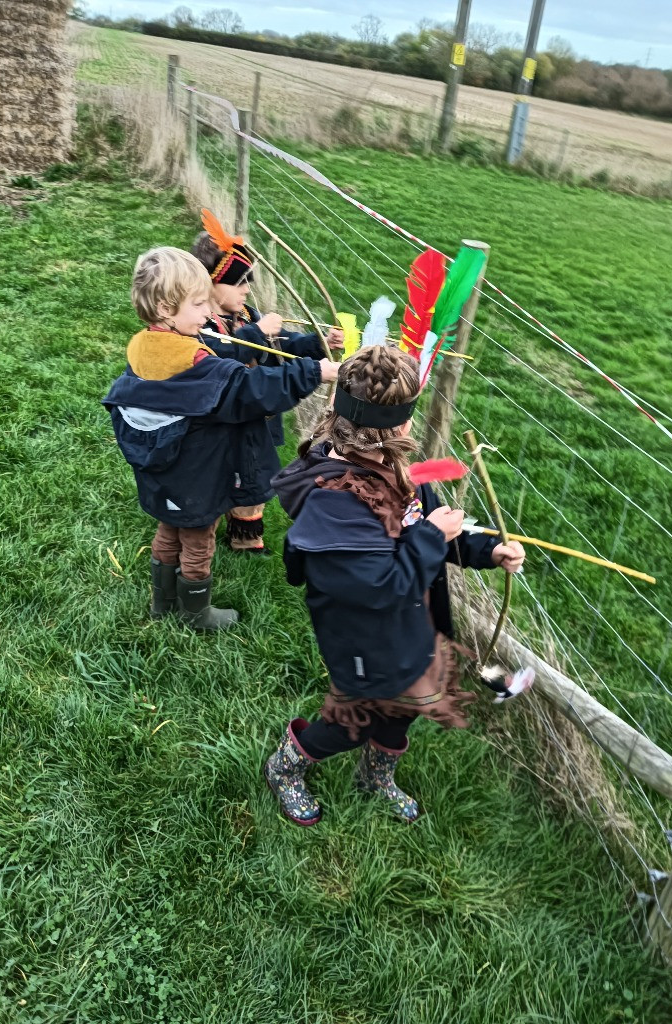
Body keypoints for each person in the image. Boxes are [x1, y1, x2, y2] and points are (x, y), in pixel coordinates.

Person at [265, 344, 526, 825]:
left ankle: (375, 778)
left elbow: (430, 528)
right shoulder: (334, 503)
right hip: (364, 637)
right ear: (401, 423)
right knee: (351, 721)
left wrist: (486, 550)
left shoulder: (400, 469)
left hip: (411, 626)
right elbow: (380, 587)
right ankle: (285, 767)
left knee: (404, 707)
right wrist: (432, 535)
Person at [102, 246, 338, 631]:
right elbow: (250, 389)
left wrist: (301, 350)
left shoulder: (144, 345)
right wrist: (314, 372)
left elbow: (229, 359)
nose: (208, 313)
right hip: (196, 471)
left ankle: (162, 603)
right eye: (198, 305)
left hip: (165, 469)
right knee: (198, 539)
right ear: (165, 309)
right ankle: (196, 613)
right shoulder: (194, 361)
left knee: (168, 527)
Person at [190, 210, 343, 555]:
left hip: (254, 418)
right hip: (223, 421)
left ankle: (245, 540)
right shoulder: (202, 325)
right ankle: (208, 538)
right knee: (226, 478)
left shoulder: (245, 315)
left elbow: (282, 345)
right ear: (210, 285)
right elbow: (222, 355)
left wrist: (319, 342)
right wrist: (257, 332)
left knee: (254, 477)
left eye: (249, 281)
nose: (247, 289)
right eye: (239, 282)